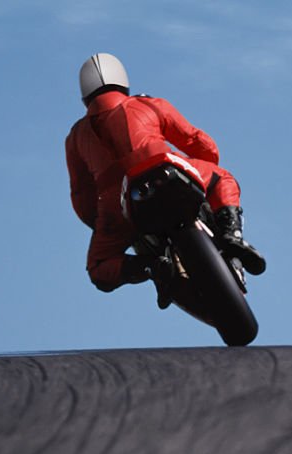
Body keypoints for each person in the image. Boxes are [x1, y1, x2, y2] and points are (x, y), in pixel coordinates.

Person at [65, 53, 265, 308]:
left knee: (98, 266)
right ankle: (231, 235)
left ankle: (151, 267)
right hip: (165, 169)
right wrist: (207, 160)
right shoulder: (147, 103)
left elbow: (81, 196)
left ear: (84, 96)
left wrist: (103, 224)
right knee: (223, 178)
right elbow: (197, 141)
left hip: (119, 203)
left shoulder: (75, 137)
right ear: (123, 83)